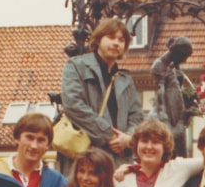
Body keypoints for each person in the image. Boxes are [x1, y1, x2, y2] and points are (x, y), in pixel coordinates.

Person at [59, 15, 144, 171]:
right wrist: (108, 135)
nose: (116, 43)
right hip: (86, 157)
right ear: (97, 40)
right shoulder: (76, 66)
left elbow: (137, 115)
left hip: (119, 161)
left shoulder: (125, 78)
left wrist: (127, 139)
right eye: (111, 37)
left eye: (121, 40)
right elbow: (73, 104)